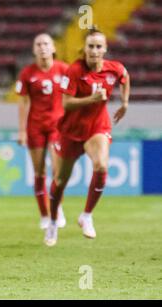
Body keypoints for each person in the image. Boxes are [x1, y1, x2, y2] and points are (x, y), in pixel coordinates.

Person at [44, 28, 131, 246]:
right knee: (60, 181)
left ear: (105, 49)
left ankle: (87, 216)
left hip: (96, 128)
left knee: (101, 166)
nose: (94, 50)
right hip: (71, 132)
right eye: (90, 46)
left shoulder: (114, 69)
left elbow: (125, 77)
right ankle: (53, 222)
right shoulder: (74, 70)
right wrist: (92, 99)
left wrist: (125, 103)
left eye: (98, 46)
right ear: (84, 48)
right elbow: (66, 103)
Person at [15, 33, 68, 230]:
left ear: (53, 47)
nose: (42, 47)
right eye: (38, 44)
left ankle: (57, 208)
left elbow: (74, 95)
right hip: (35, 127)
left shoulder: (64, 69)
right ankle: (45, 215)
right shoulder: (28, 73)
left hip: (57, 127)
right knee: (39, 173)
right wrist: (22, 131)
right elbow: (22, 102)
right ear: (33, 49)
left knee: (58, 171)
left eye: (46, 43)